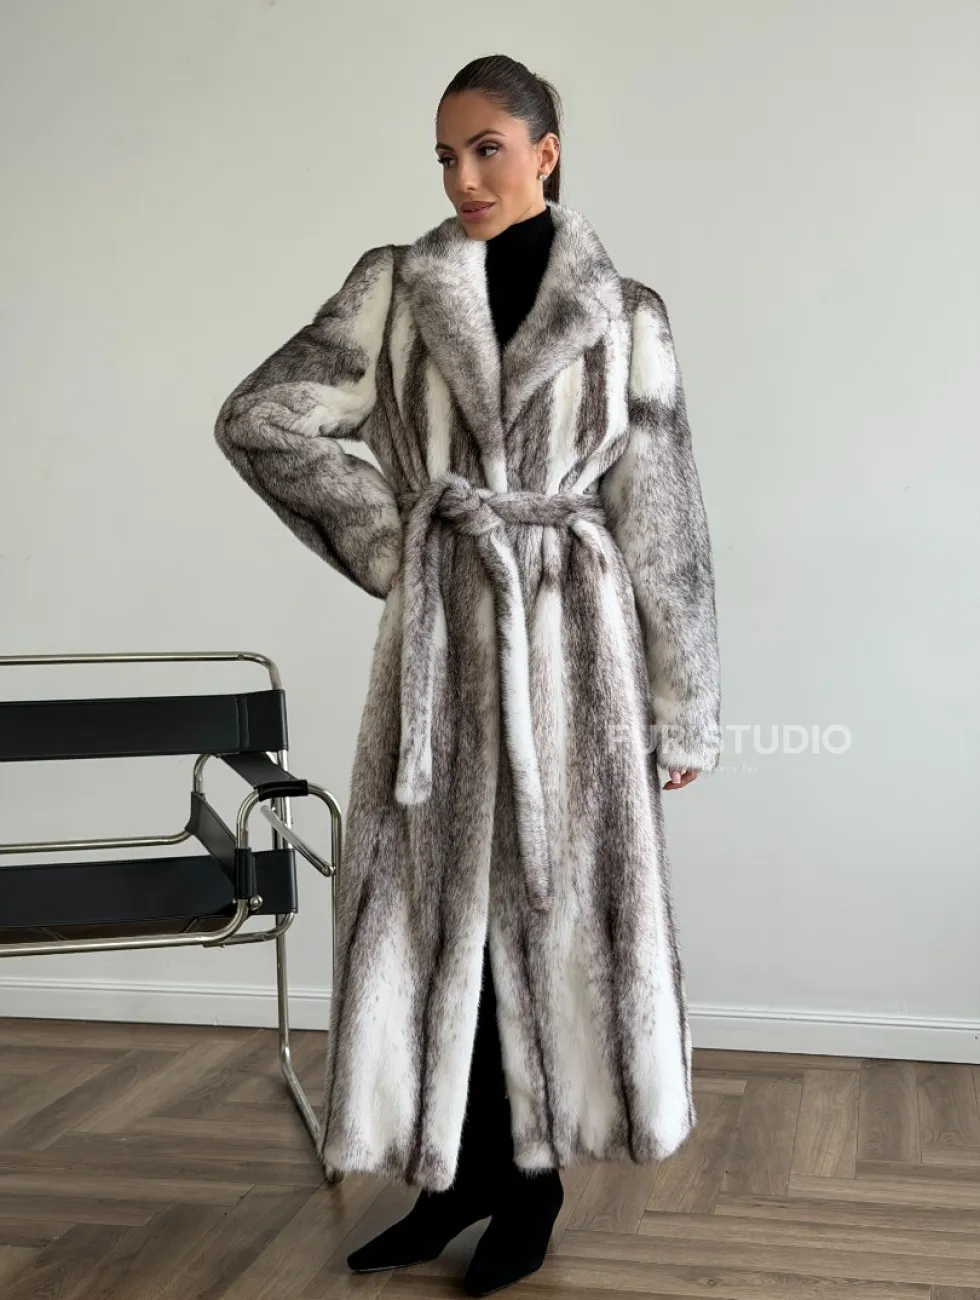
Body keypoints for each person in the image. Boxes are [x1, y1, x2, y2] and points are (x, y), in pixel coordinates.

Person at [214, 52, 721, 1298]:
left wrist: (683, 705)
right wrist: (401, 545)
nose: (462, 177)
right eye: (445, 155)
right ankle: (454, 1177)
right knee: (438, 909)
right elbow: (262, 416)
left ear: (545, 149)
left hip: (574, 651)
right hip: (441, 646)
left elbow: (661, 516)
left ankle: (529, 1184)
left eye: (486, 147)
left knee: (551, 910)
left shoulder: (625, 311)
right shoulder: (395, 288)